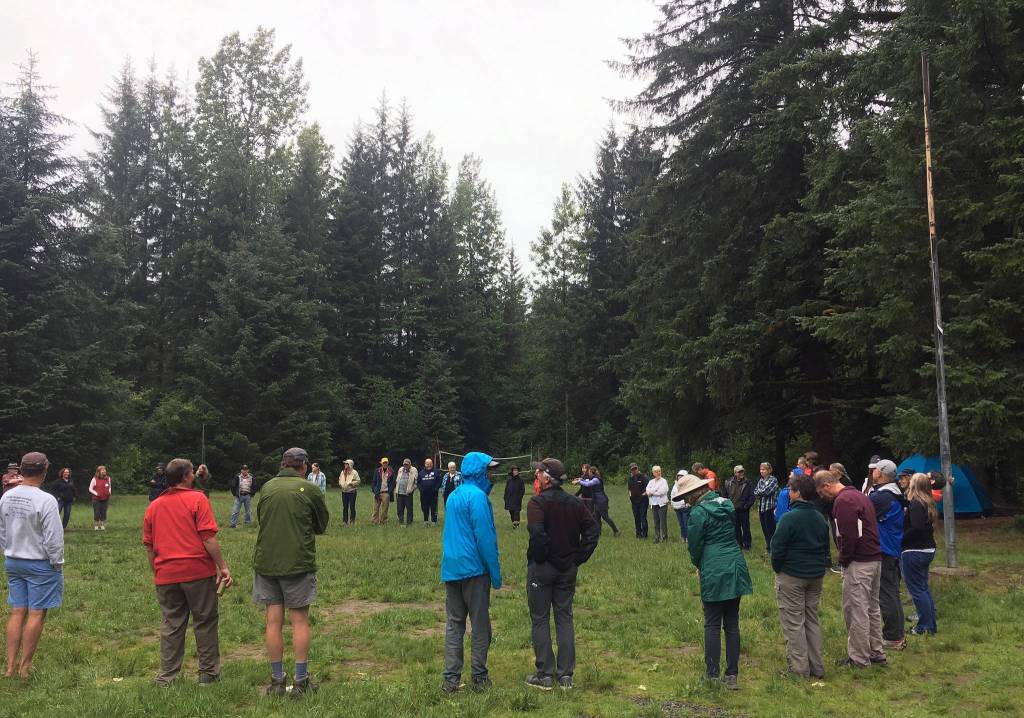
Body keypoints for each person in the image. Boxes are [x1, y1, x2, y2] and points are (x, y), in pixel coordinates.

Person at [143, 458, 233, 685]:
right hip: (197, 572)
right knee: (205, 621)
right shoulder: (198, 499)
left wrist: (157, 571)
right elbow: (208, 538)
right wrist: (222, 567)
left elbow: (149, 546)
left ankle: (166, 677)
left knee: (172, 624)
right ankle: (208, 675)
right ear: (185, 477)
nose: (194, 475)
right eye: (192, 472)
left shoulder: (153, 506)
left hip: (166, 574)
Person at [253, 447, 329, 696]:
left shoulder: (267, 487)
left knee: (273, 621)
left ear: (282, 464)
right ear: (304, 466)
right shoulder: (310, 489)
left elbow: (262, 519)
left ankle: (276, 681)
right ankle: (300, 681)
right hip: (297, 562)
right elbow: (321, 525)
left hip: (267, 562)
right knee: (299, 621)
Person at [524, 457, 599, 690]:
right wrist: (577, 558)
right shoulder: (575, 503)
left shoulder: (537, 503)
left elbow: (537, 534)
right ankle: (566, 674)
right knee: (564, 618)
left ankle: (545, 674)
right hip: (567, 569)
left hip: (543, 568)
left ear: (546, 478)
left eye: (538, 473)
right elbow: (592, 531)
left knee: (540, 619)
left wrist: (541, 557)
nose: (536, 475)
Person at [676, 471, 752, 689]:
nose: (686, 501)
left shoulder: (698, 514)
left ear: (694, 494)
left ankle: (712, 673)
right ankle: (732, 675)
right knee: (732, 622)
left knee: (711, 622)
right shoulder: (726, 505)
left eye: (686, 497)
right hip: (735, 563)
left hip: (713, 566)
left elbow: (695, 546)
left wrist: (699, 564)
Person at [440, 452, 502, 694]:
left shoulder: (453, 496)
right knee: (480, 624)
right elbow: (485, 538)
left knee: (454, 624)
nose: (492, 474)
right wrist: (495, 574)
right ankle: (479, 676)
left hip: (452, 569)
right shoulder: (478, 498)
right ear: (478, 471)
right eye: (489, 470)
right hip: (474, 570)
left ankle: (451, 680)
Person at [0, 452, 64, 678]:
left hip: (13, 561)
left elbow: (3, 530)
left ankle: (9, 667)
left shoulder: (7, 496)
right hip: (40, 563)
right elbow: (54, 538)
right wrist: (57, 563)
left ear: (21, 470)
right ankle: (25, 668)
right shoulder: (46, 500)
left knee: (17, 611)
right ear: (44, 471)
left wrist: (8, 551)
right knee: (36, 614)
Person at [814, 469, 886, 668]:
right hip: (874, 559)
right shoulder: (859, 496)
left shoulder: (843, 501)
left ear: (827, 485)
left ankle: (859, 658)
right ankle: (876, 652)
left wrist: (843, 559)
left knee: (856, 610)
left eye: (821, 492)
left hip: (859, 562)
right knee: (872, 608)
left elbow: (850, 535)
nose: (823, 497)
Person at [770, 474, 829, 679]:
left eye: (790, 489)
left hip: (792, 576)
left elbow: (776, 549)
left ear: (797, 493)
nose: (788, 493)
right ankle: (816, 667)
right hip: (815, 576)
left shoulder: (789, 518)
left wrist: (778, 569)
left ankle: (799, 669)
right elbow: (825, 547)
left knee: (794, 622)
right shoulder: (820, 518)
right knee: (811, 620)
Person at [867, 458, 906, 650]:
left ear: (880, 474)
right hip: (891, 548)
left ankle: (892, 637)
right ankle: (897, 633)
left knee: (887, 594)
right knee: (892, 593)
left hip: (885, 549)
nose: (872, 472)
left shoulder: (882, 497)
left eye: (875, 470)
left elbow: (862, 509)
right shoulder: (893, 492)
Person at [902, 473, 938, 636]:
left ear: (914, 485)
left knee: (917, 590)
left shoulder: (916, 503)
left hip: (915, 550)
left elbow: (916, 528)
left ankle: (923, 626)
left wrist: (900, 539)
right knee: (923, 588)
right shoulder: (927, 502)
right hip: (927, 549)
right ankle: (930, 625)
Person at [725, 465, 754, 550]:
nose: (741, 473)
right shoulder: (728, 482)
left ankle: (747, 545)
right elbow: (725, 495)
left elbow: (752, 496)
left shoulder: (748, 482)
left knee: (746, 528)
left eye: (742, 471)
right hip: (733, 509)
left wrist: (747, 506)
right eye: (739, 472)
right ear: (735, 473)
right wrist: (727, 506)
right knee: (736, 528)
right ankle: (739, 544)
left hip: (744, 509)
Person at [586, 467, 619, 537]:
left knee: (605, 517)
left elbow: (588, 484)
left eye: (589, 472)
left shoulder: (596, 479)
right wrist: (580, 479)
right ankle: (598, 533)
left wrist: (579, 481)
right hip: (597, 501)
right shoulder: (593, 478)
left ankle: (616, 530)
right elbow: (587, 481)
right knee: (597, 517)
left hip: (601, 501)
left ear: (592, 472)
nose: (588, 473)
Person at [754, 462, 780, 551]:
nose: (762, 471)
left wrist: (760, 492)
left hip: (770, 508)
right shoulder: (761, 480)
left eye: (764, 469)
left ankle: (774, 547)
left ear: (769, 470)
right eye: (761, 469)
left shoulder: (773, 480)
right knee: (764, 529)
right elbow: (755, 492)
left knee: (771, 529)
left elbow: (767, 491)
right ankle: (768, 547)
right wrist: (760, 492)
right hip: (761, 508)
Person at [645, 466, 669, 544]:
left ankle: (665, 538)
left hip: (662, 504)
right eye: (656, 471)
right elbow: (647, 490)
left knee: (663, 522)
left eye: (659, 471)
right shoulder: (651, 481)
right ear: (653, 473)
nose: (658, 473)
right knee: (656, 522)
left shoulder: (664, 481)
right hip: (653, 504)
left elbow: (662, 492)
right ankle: (657, 537)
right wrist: (654, 491)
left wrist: (652, 492)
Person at [627, 463, 649, 539]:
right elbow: (629, 489)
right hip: (634, 501)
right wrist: (630, 495)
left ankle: (645, 534)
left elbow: (648, 488)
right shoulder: (630, 479)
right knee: (636, 518)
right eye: (632, 469)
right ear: (630, 470)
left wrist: (643, 494)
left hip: (643, 501)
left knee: (643, 517)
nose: (634, 470)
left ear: (637, 468)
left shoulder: (644, 477)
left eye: (635, 469)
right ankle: (638, 534)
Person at [395, 459, 418, 526]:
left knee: (409, 508)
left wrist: (412, 489)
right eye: (404, 464)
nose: (405, 466)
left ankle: (409, 522)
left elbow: (416, 482)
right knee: (399, 508)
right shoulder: (400, 469)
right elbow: (397, 480)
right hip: (399, 492)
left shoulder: (414, 470)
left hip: (408, 493)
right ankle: (401, 521)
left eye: (407, 464)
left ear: (410, 465)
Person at [371, 458, 395, 525]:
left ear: (388, 463)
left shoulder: (391, 471)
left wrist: (390, 490)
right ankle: (374, 521)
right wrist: (374, 490)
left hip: (386, 493)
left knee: (385, 509)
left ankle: (383, 521)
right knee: (375, 508)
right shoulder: (377, 471)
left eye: (386, 463)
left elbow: (393, 482)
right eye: (383, 463)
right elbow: (374, 482)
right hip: (378, 492)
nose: (385, 464)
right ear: (381, 463)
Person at [670, 469, 691, 543]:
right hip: (677, 508)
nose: (680, 478)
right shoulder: (675, 485)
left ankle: (688, 538)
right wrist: (672, 504)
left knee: (686, 524)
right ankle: (683, 537)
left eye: (681, 476)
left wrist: (686, 503)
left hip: (685, 508)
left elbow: (689, 496)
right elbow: (672, 495)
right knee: (681, 524)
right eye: (679, 476)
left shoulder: (688, 485)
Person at [418, 458, 440, 526]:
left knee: (434, 508)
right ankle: (426, 521)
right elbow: (418, 483)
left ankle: (434, 521)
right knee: (425, 508)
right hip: (424, 494)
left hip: (433, 494)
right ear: (425, 464)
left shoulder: (436, 472)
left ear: (432, 464)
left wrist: (436, 489)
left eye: (430, 463)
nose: (428, 465)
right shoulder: (421, 472)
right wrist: (421, 489)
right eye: (427, 464)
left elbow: (439, 482)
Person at [89, 465, 112, 531]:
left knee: (103, 512)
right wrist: (97, 493)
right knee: (97, 512)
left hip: (105, 498)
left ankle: (102, 525)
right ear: (99, 472)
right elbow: (90, 489)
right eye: (102, 470)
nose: (104, 471)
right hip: (96, 499)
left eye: (105, 470)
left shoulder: (108, 478)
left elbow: (109, 486)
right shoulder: (94, 479)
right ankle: (96, 525)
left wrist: (109, 492)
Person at [338, 459, 361, 525]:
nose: (345, 465)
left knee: (352, 506)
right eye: (345, 463)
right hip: (344, 491)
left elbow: (358, 481)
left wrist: (351, 483)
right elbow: (340, 479)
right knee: (345, 507)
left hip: (352, 492)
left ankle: (352, 521)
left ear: (350, 465)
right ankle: (345, 521)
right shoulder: (342, 472)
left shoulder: (354, 472)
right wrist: (340, 483)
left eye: (346, 463)